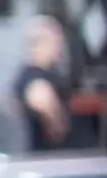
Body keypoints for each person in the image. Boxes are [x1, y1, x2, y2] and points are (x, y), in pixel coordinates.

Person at [18, 14, 78, 153]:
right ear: (44, 42)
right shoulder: (35, 77)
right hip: (50, 160)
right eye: (58, 39)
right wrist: (59, 125)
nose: (61, 46)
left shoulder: (36, 74)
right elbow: (40, 98)